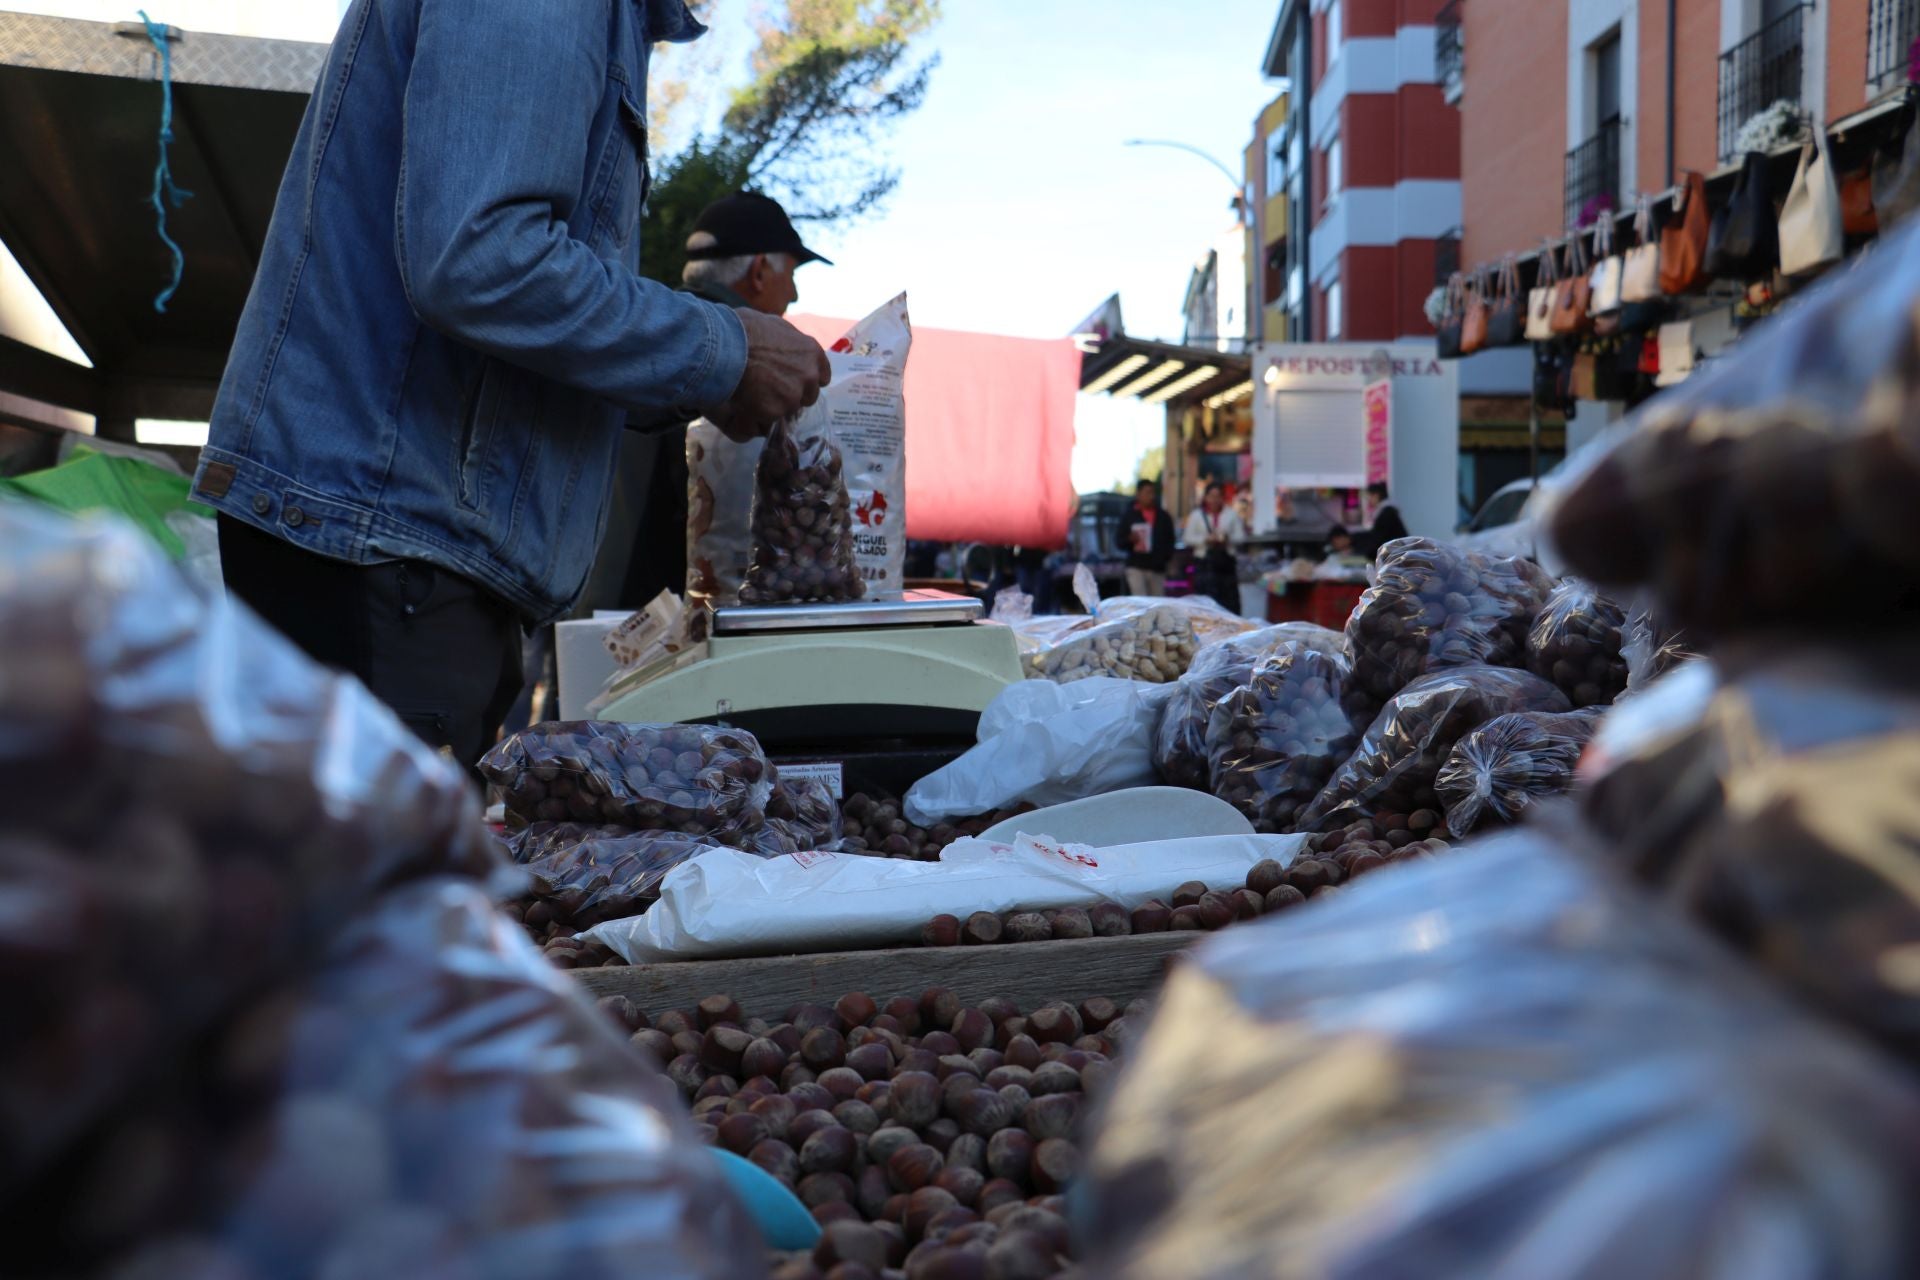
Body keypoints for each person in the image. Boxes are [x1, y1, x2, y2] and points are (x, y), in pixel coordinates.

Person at [192, 0, 831, 775]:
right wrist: (724, 349)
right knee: (366, 891)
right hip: (384, 548)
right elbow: (481, 257)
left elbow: (513, 305)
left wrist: (699, 382)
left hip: (402, 553)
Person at [584, 192, 831, 616]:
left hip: (586, 605)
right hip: (667, 629)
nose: (793, 293)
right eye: (790, 273)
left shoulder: (645, 333)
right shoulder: (741, 369)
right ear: (758, 272)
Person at [1182, 481, 1248, 612]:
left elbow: (1241, 537)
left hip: (1225, 565)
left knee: (1228, 604)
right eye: (1211, 496)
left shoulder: (1231, 515)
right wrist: (1205, 540)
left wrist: (1227, 539)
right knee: (1205, 604)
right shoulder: (1197, 515)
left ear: (1223, 497)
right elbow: (1187, 538)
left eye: (1218, 496)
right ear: (1205, 497)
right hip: (1204, 564)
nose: (1214, 500)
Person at [1123, 479, 1175, 597]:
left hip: (1157, 568)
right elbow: (1119, 540)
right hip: (1137, 566)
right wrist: (1130, 540)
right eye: (1147, 492)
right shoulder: (1129, 515)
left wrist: (1164, 558)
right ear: (1138, 494)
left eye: (1152, 492)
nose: (1151, 496)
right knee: (1140, 603)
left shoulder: (1163, 516)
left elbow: (1170, 540)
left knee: (1157, 603)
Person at [1357, 481, 1410, 559]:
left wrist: (1368, 554)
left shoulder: (1387, 512)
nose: (1368, 500)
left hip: (1395, 555)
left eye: (1369, 496)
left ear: (1376, 495)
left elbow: (1380, 537)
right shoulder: (1386, 510)